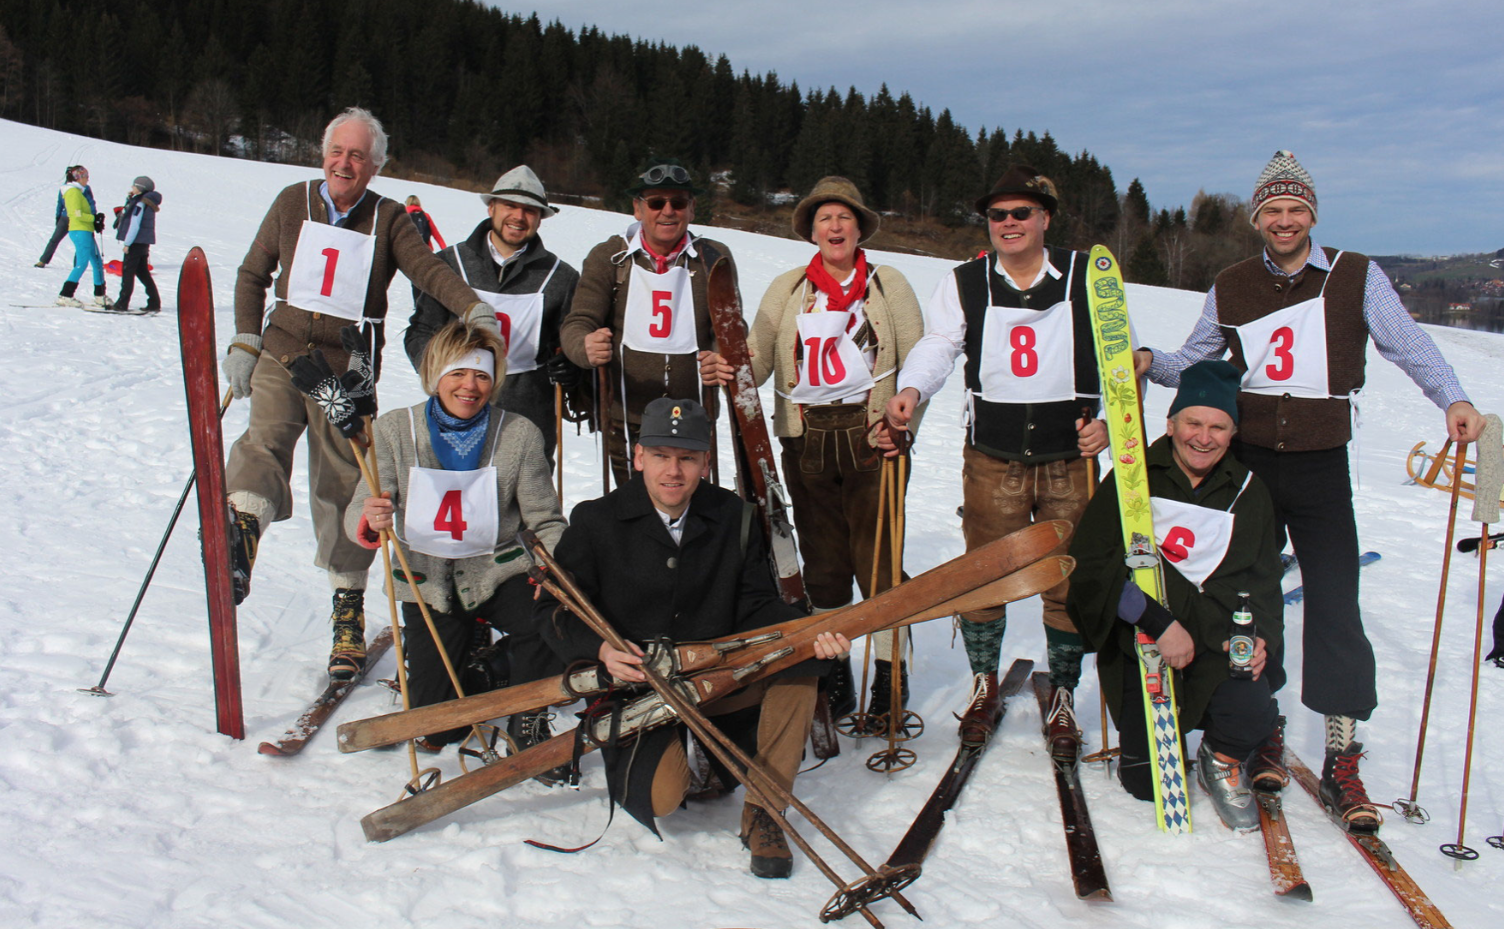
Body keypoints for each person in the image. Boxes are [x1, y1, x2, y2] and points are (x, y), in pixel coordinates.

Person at [1133, 150, 1486, 833]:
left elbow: (1408, 343)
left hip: (1323, 466)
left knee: (1334, 602)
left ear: (1312, 216)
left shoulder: (1354, 276)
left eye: (1296, 209)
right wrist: (1150, 362)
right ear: (1257, 218)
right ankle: (1258, 725)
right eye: (1273, 210)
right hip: (1253, 465)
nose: (1285, 220)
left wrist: (1454, 397)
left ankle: (1341, 754)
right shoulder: (1232, 283)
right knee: (1249, 598)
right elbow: (1195, 359)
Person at [221, 106, 498, 681]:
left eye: (358, 156)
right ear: (323, 154)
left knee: (342, 483)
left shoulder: (389, 218)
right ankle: (239, 534)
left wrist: (471, 306)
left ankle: (346, 610)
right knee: (266, 436)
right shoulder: (291, 202)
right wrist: (247, 339)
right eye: (337, 152)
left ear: (375, 166)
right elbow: (253, 274)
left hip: (346, 370)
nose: (344, 163)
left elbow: (428, 269)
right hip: (284, 349)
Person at [537, 397, 850, 878]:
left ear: (705, 462)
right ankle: (693, 762)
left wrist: (808, 635)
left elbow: (754, 604)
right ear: (639, 456)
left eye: (687, 458)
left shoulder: (733, 517)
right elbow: (555, 610)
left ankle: (765, 812)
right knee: (663, 797)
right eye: (661, 455)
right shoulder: (596, 521)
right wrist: (600, 650)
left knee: (798, 670)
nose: (673, 471)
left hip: (719, 679)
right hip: (642, 691)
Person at [883, 165, 1109, 757]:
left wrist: (1111, 426)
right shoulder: (966, 280)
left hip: (1070, 457)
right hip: (994, 457)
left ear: (1045, 218)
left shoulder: (1088, 275)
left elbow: (1117, 358)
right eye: (998, 215)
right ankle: (984, 683)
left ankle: (1062, 693)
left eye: (1021, 213)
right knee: (984, 573)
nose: (1009, 224)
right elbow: (940, 344)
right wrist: (913, 388)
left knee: (1069, 578)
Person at [700, 176, 926, 728]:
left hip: (874, 438)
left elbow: (921, 359)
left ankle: (889, 681)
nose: (835, 227)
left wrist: (903, 426)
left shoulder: (887, 282)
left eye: (844, 217)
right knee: (823, 569)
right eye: (825, 219)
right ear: (811, 230)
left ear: (858, 226)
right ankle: (835, 672)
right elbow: (756, 354)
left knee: (878, 564)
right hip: (808, 441)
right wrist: (727, 365)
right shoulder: (789, 287)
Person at [1067, 360, 1285, 831]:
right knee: (1146, 786)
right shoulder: (1133, 476)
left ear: (1232, 433)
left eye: (1217, 427)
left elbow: (1266, 582)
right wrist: (1159, 623)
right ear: (1172, 423)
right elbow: (1091, 566)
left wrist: (1260, 639)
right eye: (1193, 423)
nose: (1203, 438)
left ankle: (1221, 755)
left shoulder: (1250, 492)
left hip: (1218, 641)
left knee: (1255, 713)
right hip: (1145, 643)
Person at [344, 320, 567, 756]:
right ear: (436, 375)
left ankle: (528, 716)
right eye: (458, 373)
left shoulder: (518, 435)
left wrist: (553, 570)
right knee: (437, 726)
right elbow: (362, 503)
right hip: (429, 582)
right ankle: (487, 672)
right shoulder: (393, 431)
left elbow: (546, 519)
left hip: (498, 572)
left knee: (551, 623)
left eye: (482, 375)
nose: (470, 386)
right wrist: (371, 517)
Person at [560, 158, 734, 487]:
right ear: (638, 209)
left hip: (693, 419)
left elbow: (729, 329)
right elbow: (578, 321)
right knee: (634, 516)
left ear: (692, 209)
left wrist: (720, 356)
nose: (667, 211)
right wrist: (584, 347)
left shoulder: (714, 258)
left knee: (693, 514)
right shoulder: (609, 256)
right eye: (656, 202)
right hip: (627, 419)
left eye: (678, 202)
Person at [406, 165, 583, 464]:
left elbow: (569, 340)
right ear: (492, 207)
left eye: (529, 210)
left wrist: (572, 366)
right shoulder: (449, 263)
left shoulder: (561, 277)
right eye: (510, 205)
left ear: (540, 218)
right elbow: (421, 331)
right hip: (457, 410)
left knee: (524, 503)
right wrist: (443, 378)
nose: (518, 216)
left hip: (527, 416)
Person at [54, 165, 110, 308]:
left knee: (97, 262)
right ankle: (65, 295)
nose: (87, 179)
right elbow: (75, 213)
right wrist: (93, 219)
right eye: (85, 176)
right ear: (78, 177)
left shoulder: (79, 191)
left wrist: (95, 221)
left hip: (85, 230)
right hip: (79, 230)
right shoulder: (72, 192)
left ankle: (100, 295)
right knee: (82, 263)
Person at [112, 176, 162, 314]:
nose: (132, 188)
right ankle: (154, 302)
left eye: (134, 186)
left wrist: (128, 243)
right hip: (143, 243)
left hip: (135, 242)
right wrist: (130, 200)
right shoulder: (144, 201)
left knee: (128, 273)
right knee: (142, 272)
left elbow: (134, 224)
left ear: (141, 188)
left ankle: (122, 303)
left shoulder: (140, 203)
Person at [37, 165, 94, 268]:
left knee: (80, 242)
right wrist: (58, 217)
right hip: (66, 217)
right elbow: (60, 203)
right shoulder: (65, 188)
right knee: (55, 239)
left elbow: (91, 203)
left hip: (80, 218)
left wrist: (93, 216)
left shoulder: (85, 188)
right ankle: (43, 260)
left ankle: (77, 265)